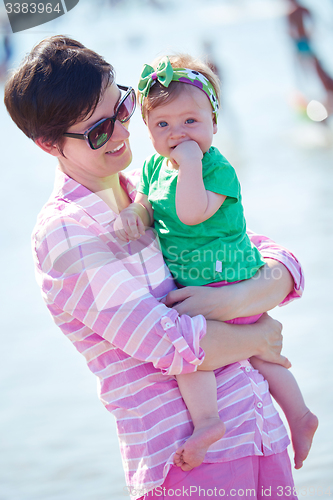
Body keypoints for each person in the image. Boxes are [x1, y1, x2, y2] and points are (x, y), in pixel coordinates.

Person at [4, 35, 307, 499]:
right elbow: (172, 345)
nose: (124, 132)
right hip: (188, 464)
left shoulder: (149, 189)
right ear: (49, 144)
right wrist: (258, 336)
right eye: (99, 130)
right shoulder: (68, 233)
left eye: (122, 109)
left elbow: (271, 257)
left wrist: (233, 298)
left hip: (259, 431)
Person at [114, 53, 318, 472]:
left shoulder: (215, 168)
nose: (177, 134)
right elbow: (147, 202)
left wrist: (189, 163)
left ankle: (209, 421)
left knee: (192, 353)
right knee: (259, 355)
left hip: (228, 284)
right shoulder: (153, 166)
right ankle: (300, 416)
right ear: (148, 131)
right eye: (163, 125)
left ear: (214, 123)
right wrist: (136, 212)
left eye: (190, 121)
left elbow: (189, 212)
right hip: (205, 284)